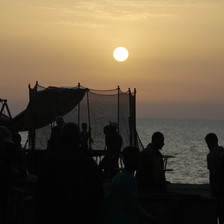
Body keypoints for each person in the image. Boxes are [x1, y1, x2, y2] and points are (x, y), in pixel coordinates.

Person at [35, 122, 104, 224]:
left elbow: (40, 192)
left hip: (55, 214)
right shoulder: (88, 162)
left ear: (61, 137)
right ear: (78, 138)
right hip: (81, 215)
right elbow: (97, 194)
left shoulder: (50, 160)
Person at [105, 146, 157, 224]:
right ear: (132, 160)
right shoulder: (129, 179)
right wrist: (150, 217)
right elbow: (133, 206)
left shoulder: (118, 177)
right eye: (137, 159)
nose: (139, 161)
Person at [205, 133, 224, 224]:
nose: (207, 146)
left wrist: (213, 191)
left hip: (218, 191)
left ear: (210, 142)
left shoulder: (211, 156)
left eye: (207, 143)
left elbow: (212, 175)